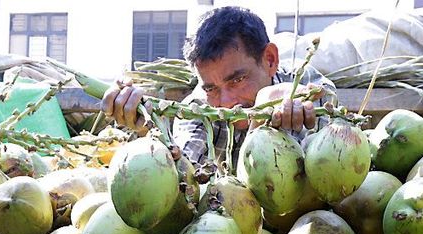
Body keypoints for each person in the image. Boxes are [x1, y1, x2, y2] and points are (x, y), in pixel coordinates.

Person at [101, 6, 334, 167]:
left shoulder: (308, 91)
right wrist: (150, 132)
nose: (227, 103)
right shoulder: (196, 110)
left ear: (270, 60)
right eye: (211, 88)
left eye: (237, 80)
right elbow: (188, 180)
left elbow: (327, 175)